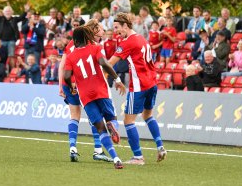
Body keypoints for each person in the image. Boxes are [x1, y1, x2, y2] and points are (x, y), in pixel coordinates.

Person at [64, 25, 126, 169]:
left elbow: (66, 75)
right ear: (87, 37)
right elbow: (104, 63)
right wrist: (117, 80)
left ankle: (116, 158)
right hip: (101, 91)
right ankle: (112, 126)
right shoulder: (96, 48)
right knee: (112, 118)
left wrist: (72, 86)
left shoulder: (71, 56)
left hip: (85, 96)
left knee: (99, 128)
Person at [109, 12, 167, 165]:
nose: (116, 31)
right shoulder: (141, 38)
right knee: (148, 116)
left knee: (128, 122)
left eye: (117, 28)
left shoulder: (127, 43)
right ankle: (160, 147)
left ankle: (138, 157)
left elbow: (109, 64)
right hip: (152, 83)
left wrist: (115, 78)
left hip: (139, 86)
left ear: (126, 26)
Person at [59, 20, 114, 163]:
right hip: (83, 84)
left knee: (74, 115)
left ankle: (72, 148)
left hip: (68, 83)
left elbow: (63, 65)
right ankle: (98, 150)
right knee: (94, 117)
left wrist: (61, 86)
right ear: (94, 31)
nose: (102, 33)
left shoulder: (73, 43)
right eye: (101, 30)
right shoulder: (91, 45)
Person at [0, 2, 30, 70]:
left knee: (11, 56)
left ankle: (12, 71)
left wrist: (26, 11)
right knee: (1, 56)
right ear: (3, 12)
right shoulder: (1, 19)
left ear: (12, 12)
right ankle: (1, 69)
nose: (8, 12)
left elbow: (21, 17)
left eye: (9, 11)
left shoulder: (14, 19)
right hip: (2, 40)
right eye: (6, 11)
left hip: (11, 41)